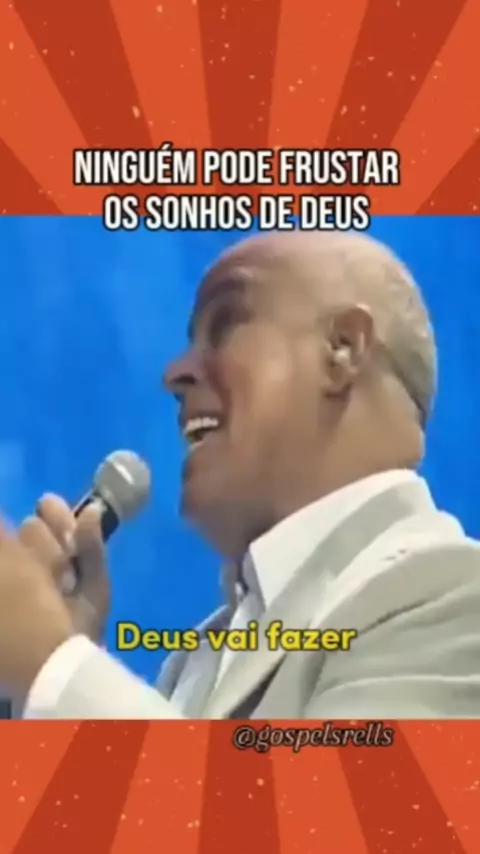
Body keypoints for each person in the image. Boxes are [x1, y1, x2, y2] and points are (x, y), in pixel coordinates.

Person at [1, 230, 480, 719]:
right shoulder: (197, 659)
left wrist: (51, 663)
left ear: (342, 349)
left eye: (225, 324)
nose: (175, 374)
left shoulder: (458, 597)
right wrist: (36, 682)